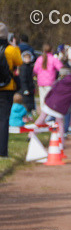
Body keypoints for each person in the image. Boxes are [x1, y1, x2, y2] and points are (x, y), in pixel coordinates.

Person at [0, 23, 24, 158]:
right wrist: (15, 47)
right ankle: (2, 152)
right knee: (3, 120)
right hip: (6, 87)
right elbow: (19, 62)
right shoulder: (10, 49)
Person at [34, 44, 61, 110]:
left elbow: (35, 70)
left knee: (42, 99)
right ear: (52, 50)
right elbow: (60, 68)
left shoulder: (39, 59)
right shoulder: (53, 59)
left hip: (41, 82)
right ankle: (49, 116)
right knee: (50, 100)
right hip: (50, 82)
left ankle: (44, 116)